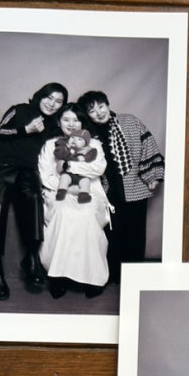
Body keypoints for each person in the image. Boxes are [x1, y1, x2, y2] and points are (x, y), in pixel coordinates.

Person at [0, 82, 68, 301]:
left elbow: (74, 128)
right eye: (49, 98)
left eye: (58, 102)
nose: (52, 104)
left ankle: (31, 258)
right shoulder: (20, 110)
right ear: (40, 96)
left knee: (35, 200)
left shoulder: (53, 125)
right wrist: (26, 130)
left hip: (26, 169)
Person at [78, 90, 165, 283]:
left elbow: (148, 145)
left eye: (101, 106)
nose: (99, 112)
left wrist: (153, 176)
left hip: (135, 187)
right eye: (92, 111)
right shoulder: (88, 134)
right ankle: (115, 276)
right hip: (107, 193)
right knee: (112, 234)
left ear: (107, 105)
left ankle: (133, 277)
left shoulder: (129, 122)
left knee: (135, 234)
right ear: (87, 115)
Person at [37, 104, 110, 299]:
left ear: (82, 122)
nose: (71, 124)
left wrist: (68, 167)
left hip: (89, 190)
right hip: (58, 190)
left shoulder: (94, 144)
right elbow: (46, 176)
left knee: (86, 216)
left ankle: (93, 278)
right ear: (59, 122)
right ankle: (57, 276)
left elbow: (97, 169)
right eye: (66, 120)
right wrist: (68, 188)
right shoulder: (51, 145)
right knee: (63, 214)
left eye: (76, 120)